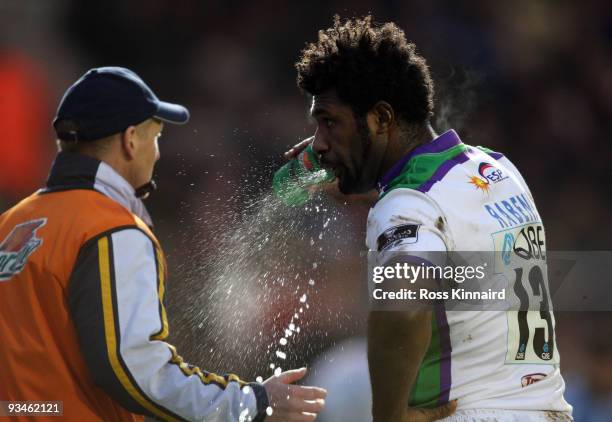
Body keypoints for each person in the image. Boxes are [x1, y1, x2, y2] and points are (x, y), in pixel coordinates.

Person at [287, 16, 573, 421]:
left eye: (330, 122)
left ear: (382, 119)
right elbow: (436, 208)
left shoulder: (405, 206)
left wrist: (389, 416)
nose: (318, 142)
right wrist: (368, 188)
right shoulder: (497, 170)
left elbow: (403, 304)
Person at [0, 67, 326, 422]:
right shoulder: (111, 229)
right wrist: (254, 403)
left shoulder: (11, 222)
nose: (156, 154)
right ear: (129, 140)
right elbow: (135, 368)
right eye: (155, 137)